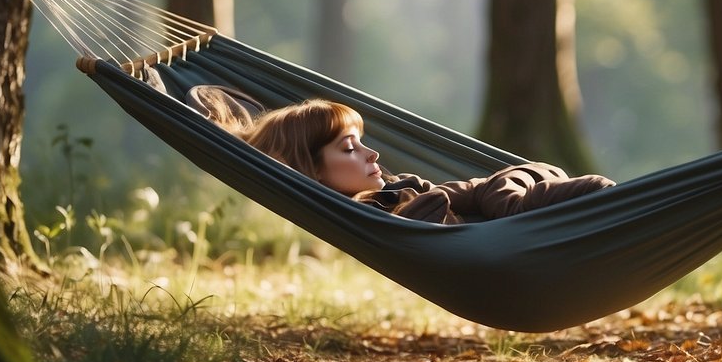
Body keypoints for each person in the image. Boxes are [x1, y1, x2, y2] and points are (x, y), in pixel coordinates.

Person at [197, 91, 614, 225]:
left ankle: (614, 206)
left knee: (506, 193)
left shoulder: (396, 192)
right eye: (349, 148)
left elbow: (467, 191)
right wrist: (415, 205)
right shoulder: (389, 217)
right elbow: (438, 210)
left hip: (511, 195)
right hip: (511, 224)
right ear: (312, 171)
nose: (371, 152)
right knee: (596, 190)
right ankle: (615, 207)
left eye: (361, 142)